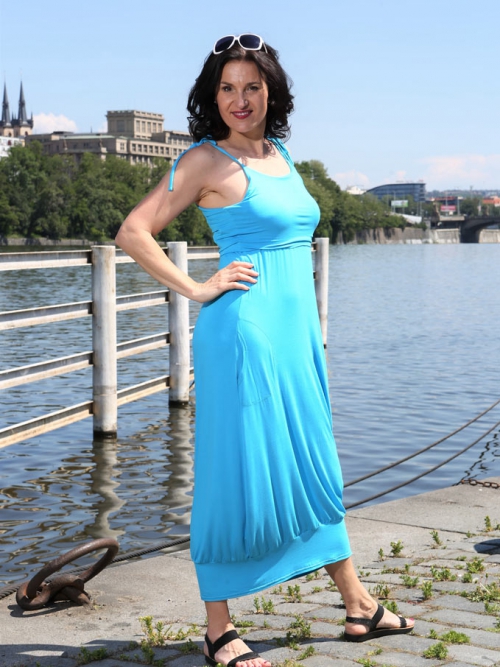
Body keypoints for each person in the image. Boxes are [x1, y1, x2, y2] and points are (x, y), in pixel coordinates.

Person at [116, 33, 414, 667]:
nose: (240, 99)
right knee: (232, 469)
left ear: (271, 91)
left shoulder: (280, 154)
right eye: (227, 88)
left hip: (295, 338)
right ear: (212, 96)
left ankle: (358, 604)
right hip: (244, 336)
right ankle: (218, 628)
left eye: (251, 86)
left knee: (313, 461)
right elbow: (133, 231)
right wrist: (198, 288)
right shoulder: (204, 160)